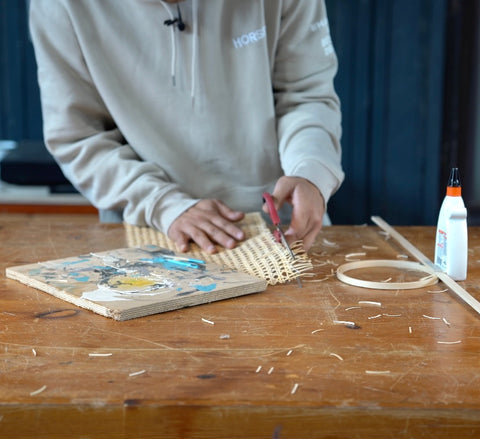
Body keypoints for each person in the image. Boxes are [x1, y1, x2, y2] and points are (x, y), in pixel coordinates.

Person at [29, 0, 344, 254]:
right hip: (149, 230)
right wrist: (162, 204)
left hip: (282, 230)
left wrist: (311, 172)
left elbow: (306, 95)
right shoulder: (59, 7)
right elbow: (80, 136)